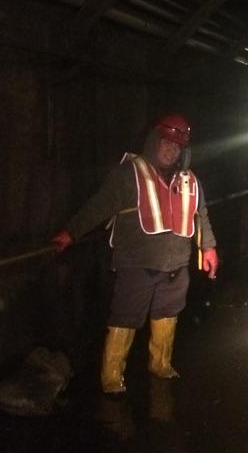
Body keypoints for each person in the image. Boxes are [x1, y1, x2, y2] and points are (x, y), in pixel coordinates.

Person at [51, 113, 218, 394]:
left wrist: (209, 247)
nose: (171, 149)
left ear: (184, 150)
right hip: (137, 264)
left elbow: (200, 216)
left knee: (168, 314)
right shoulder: (130, 173)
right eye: (166, 142)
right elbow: (99, 205)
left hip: (176, 265)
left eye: (177, 146)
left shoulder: (190, 180)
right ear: (154, 141)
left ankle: (160, 364)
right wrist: (70, 232)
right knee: (125, 317)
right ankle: (112, 376)